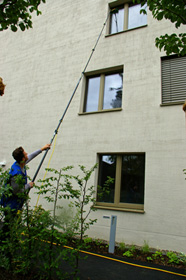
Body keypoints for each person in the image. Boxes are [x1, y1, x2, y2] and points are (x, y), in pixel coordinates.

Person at [0, 144, 51, 241]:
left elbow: (31, 156)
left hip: (16, 202)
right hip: (11, 203)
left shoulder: (20, 163)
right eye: (25, 154)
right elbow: (16, 191)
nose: (27, 154)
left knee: (14, 223)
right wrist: (28, 186)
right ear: (23, 159)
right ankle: (5, 243)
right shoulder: (16, 173)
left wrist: (42, 149)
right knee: (9, 223)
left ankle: (10, 240)